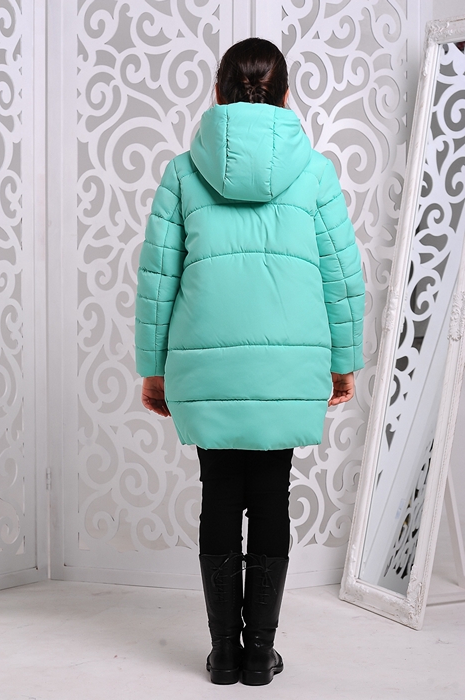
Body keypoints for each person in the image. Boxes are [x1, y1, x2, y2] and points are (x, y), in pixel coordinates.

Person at [135, 38, 364, 686]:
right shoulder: (314, 172)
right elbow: (343, 278)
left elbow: (158, 279)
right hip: (288, 370)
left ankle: (224, 655)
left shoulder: (183, 173)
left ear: (217, 93)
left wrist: (153, 367)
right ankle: (260, 653)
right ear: (286, 96)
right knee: (270, 496)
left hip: (205, 370)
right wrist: (344, 361)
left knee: (218, 494)